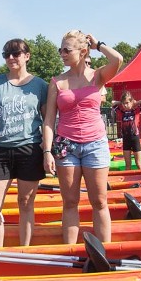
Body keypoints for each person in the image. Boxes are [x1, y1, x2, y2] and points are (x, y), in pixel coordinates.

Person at [42, 30, 122, 243]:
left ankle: (106, 252)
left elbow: (118, 59)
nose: (62, 54)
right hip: (66, 146)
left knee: (100, 201)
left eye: (66, 50)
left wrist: (99, 45)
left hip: (95, 144)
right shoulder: (57, 82)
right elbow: (49, 120)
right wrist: (47, 151)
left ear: (83, 51)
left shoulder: (98, 76)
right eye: (60, 49)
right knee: (69, 202)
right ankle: (69, 254)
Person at [0, 38, 49, 247]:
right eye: (6, 54)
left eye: (16, 53)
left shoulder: (40, 85)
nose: (10, 58)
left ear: (27, 56)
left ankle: (24, 251)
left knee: (25, 203)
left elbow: (47, 119)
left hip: (29, 149)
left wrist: (46, 149)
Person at [111, 91, 141, 170]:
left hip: (134, 138)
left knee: (138, 163)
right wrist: (120, 103)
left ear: (131, 102)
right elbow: (112, 103)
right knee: (127, 165)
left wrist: (135, 103)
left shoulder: (136, 111)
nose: (125, 105)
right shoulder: (122, 113)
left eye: (127, 103)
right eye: (124, 103)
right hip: (126, 139)